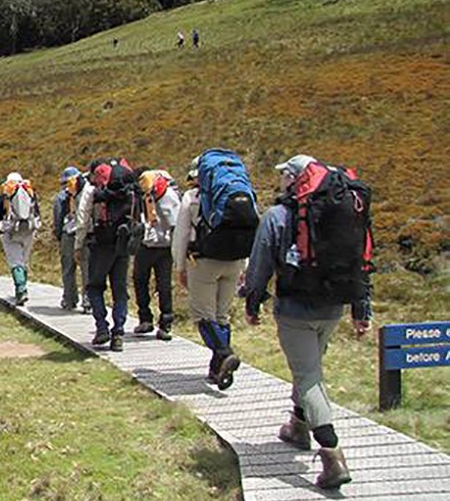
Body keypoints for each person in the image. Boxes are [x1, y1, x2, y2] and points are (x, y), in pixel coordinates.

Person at [240, 154, 373, 490]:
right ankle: (297, 426)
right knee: (309, 368)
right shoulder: (344, 211)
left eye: (284, 174)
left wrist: (252, 302)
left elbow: (260, 265)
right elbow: (360, 260)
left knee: (309, 375)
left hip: (295, 310)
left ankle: (332, 455)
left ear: (294, 178)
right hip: (333, 308)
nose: (280, 180)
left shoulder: (278, 215)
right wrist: (361, 310)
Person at [172, 150, 257, 389]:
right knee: (221, 316)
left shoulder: (192, 197)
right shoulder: (243, 193)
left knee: (202, 315)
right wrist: (245, 266)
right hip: (235, 260)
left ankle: (223, 351)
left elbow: (181, 235)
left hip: (204, 261)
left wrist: (179, 265)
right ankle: (216, 371)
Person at [75, 158, 136, 352]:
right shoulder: (127, 190)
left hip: (101, 244)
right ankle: (118, 333)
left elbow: (83, 218)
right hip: (123, 245)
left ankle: (102, 327)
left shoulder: (94, 191)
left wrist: (78, 245)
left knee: (94, 287)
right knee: (120, 290)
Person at [133, 169, 180, 340]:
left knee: (163, 285)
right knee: (140, 280)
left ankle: (164, 322)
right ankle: (146, 319)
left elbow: (175, 225)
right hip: (148, 244)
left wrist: (177, 251)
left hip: (163, 247)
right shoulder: (144, 195)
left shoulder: (168, 196)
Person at [0, 173, 41, 306]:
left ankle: (20, 290)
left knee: (16, 262)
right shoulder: (30, 194)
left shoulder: (4, 198)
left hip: (10, 233)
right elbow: (37, 213)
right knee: (24, 260)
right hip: (28, 231)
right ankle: (24, 288)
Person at [53, 166, 90, 312]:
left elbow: (57, 218)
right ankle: (88, 300)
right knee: (86, 268)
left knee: (68, 268)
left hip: (67, 235)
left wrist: (58, 235)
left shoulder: (61, 197)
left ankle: (69, 298)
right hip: (85, 234)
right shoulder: (88, 193)